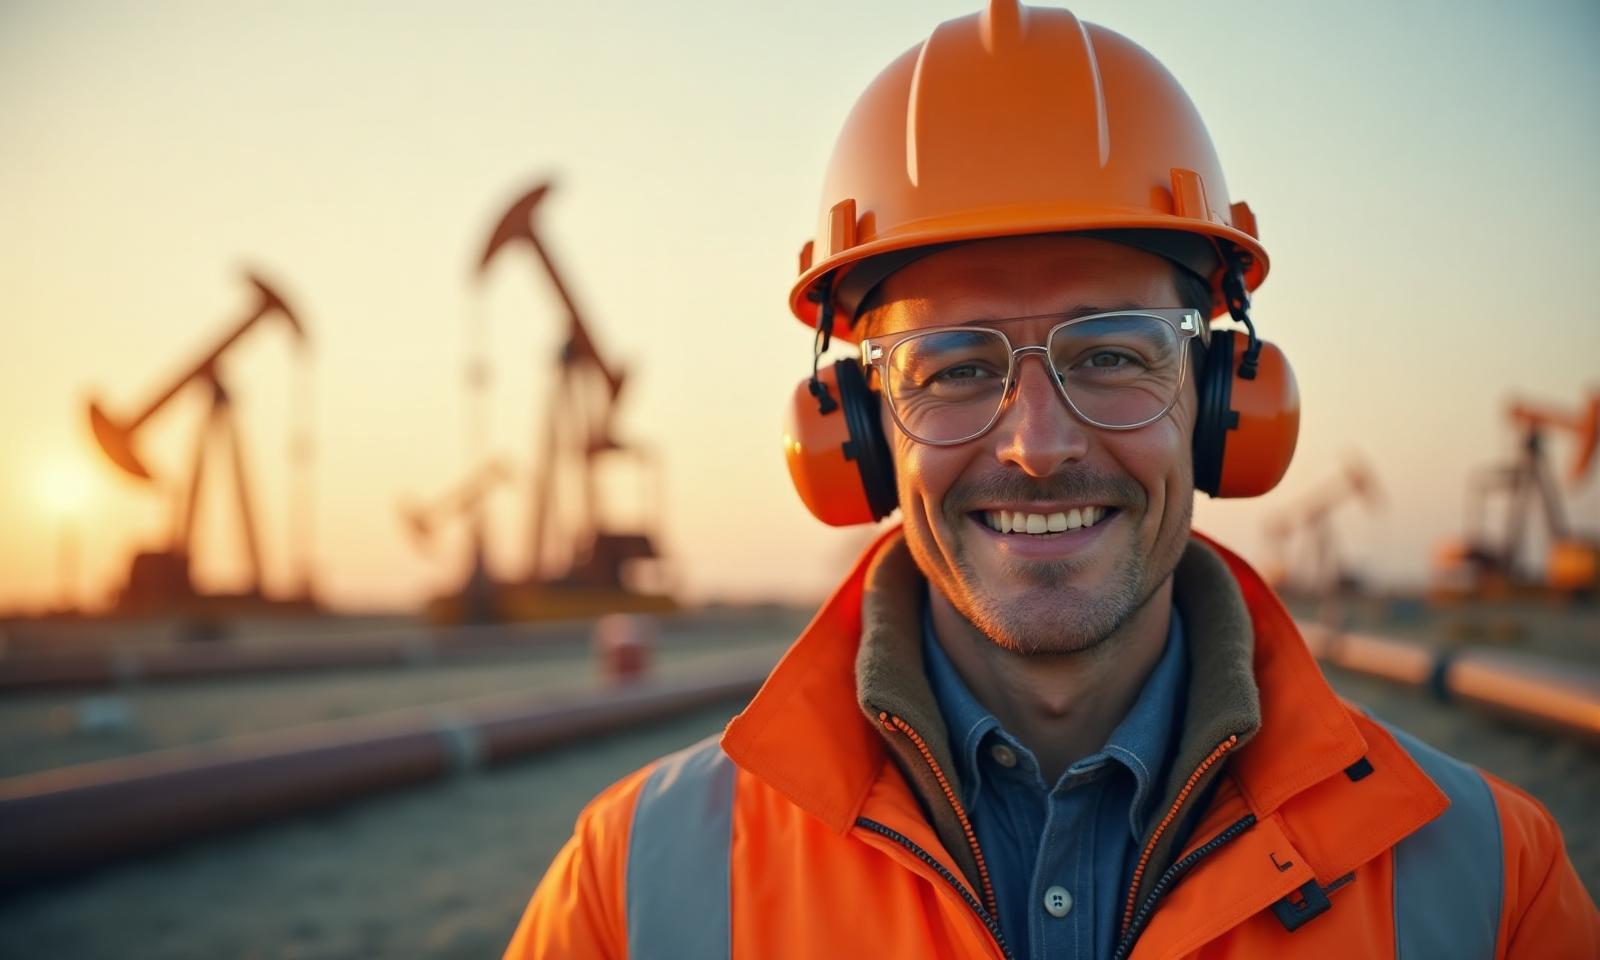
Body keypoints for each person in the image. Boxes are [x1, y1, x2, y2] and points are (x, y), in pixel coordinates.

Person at [505, 3, 1599, 957]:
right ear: (857, 431)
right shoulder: (632, 889)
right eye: (954, 368)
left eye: (1111, 353)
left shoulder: (1491, 882)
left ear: (1225, 399)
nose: (1038, 444)